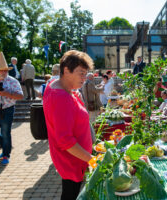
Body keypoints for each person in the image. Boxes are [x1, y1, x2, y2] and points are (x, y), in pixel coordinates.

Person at [43, 50, 94, 200]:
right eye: (81, 73)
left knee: (70, 193)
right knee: (70, 194)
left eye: (86, 74)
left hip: (74, 160)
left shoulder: (56, 85)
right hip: (72, 161)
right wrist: (91, 159)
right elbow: (65, 141)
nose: (84, 78)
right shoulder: (61, 97)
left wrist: (72, 92)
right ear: (66, 70)